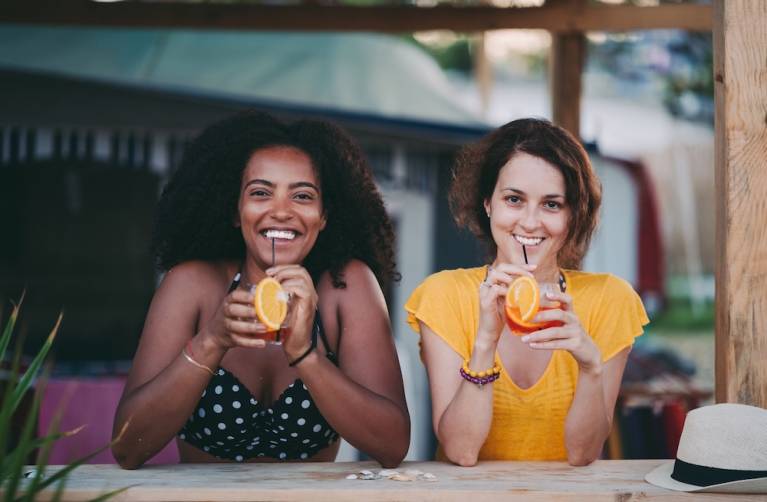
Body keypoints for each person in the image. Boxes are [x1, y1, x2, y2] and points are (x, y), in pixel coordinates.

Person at [112, 111, 410, 468]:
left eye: (301, 196)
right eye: (260, 193)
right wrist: (211, 342)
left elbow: (392, 446)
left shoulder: (346, 286)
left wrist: (306, 356)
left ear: (325, 215)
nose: (281, 211)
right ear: (237, 210)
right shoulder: (193, 285)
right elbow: (128, 448)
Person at [405, 118, 648, 466]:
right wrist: (485, 341)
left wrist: (590, 366)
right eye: (514, 199)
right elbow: (462, 451)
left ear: (573, 216)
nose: (531, 222)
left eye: (552, 204)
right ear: (488, 203)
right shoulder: (444, 295)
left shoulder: (610, 300)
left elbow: (583, 454)